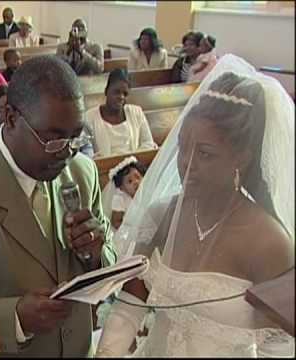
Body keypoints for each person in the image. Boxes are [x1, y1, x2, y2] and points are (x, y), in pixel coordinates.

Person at [96, 55, 295, 357]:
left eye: (204, 153)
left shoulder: (271, 242)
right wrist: (107, 354)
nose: (187, 164)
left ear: (242, 157)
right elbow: (130, 304)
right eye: (184, 148)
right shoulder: (162, 214)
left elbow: (280, 345)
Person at [0, 55, 117, 357]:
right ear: (11, 118)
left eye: (75, 137)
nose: (66, 153)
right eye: (53, 139)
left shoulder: (82, 172)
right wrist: (14, 318)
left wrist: (95, 255)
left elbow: (107, 262)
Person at [86, 68, 158, 158]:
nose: (121, 97)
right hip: (104, 169)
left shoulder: (136, 112)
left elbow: (148, 144)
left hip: (134, 167)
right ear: (106, 91)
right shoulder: (90, 117)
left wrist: (131, 164)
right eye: (116, 92)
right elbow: (88, 155)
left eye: (125, 94)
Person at [101, 156, 147, 230]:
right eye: (130, 181)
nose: (136, 182)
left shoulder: (146, 191)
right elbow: (116, 222)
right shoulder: (120, 199)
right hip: (128, 231)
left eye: (138, 177)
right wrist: (131, 231)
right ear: (122, 188)